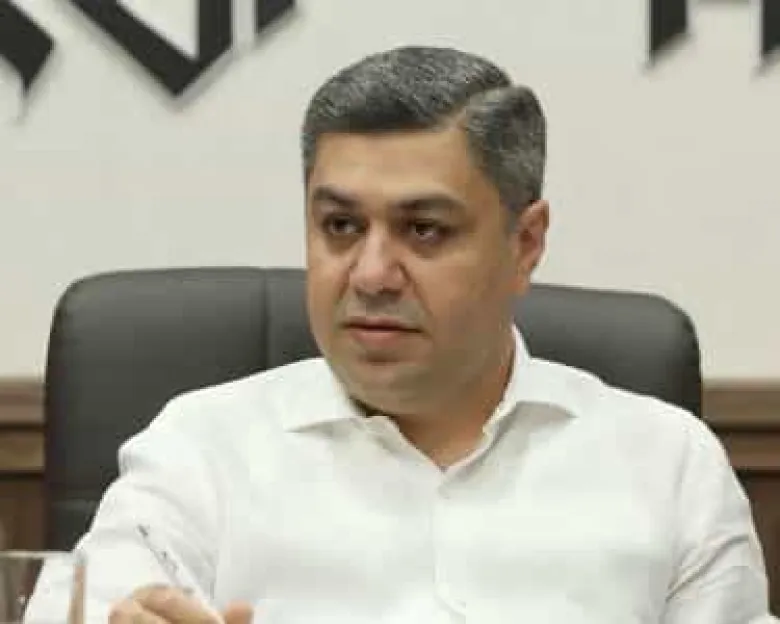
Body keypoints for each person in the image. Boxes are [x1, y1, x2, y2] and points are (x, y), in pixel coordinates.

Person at [29, 46, 776, 623]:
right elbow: (94, 606)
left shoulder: (667, 467)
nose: (371, 273)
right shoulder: (200, 452)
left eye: (424, 230)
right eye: (340, 226)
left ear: (526, 243)